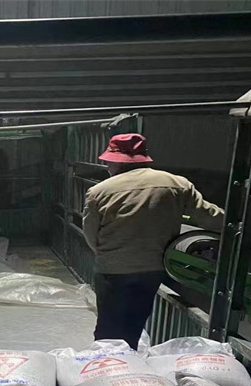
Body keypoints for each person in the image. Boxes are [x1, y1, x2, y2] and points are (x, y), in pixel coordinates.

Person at [82, 133, 224, 349]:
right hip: (152, 268)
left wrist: (106, 254)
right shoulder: (178, 184)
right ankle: (130, 356)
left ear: (117, 162)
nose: (108, 167)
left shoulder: (99, 191)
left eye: (109, 162)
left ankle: (107, 362)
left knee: (108, 328)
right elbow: (211, 217)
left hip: (112, 269)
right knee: (135, 323)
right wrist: (239, 226)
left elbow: (91, 234)